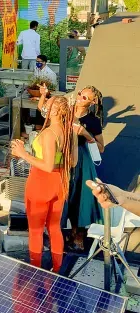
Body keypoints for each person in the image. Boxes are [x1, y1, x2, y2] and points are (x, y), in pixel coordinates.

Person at [11, 96, 77, 272]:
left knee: (36, 230)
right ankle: (57, 268)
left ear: (55, 110)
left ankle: (35, 269)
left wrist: (22, 153)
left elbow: (47, 166)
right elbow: (73, 162)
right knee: (55, 227)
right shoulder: (70, 132)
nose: (45, 104)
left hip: (41, 183)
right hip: (60, 182)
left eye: (49, 103)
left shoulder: (49, 133)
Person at [61, 85, 105, 251]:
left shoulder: (93, 121)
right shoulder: (67, 111)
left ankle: (78, 235)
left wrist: (86, 134)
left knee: (81, 197)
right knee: (67, 196)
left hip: (83, 160)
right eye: (80, 94)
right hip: (65, 157)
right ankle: (65, 232)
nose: (80, 98)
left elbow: (101, 148)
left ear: (93, 102)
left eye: (85, 97)